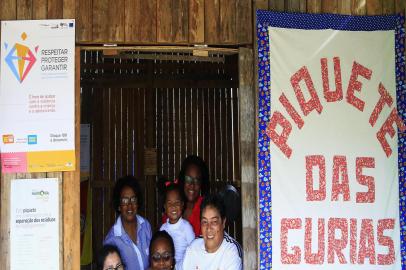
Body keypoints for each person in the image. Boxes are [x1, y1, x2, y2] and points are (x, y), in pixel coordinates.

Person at [182, 194, 242, 270]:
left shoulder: (232, 251)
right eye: (205, 222)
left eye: (214, 222)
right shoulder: (193, 248)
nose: (209, 228)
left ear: (223, 223)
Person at [104, 176, 152, 270]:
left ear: (137, 203)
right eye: (125, 200)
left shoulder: (145, 226)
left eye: (133, 199)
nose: (130, 205)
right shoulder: (112, 240)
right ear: (119, 206)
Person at [160, 183, 194, 269]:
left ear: (182, 205)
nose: (173, 206)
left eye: (177, 203)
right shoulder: (163, 228)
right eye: (169, 203)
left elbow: (194, 250)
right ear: (164, 206)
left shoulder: (186, 227)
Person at [178, 155, 209, 236]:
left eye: (197, 180)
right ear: (182, 180)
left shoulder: (206, 208)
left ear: (201, 183)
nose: (192, 185)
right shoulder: (173, 205)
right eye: (188, 179)